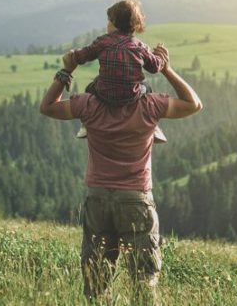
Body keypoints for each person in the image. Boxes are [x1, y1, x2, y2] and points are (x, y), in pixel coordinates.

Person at [39, 44, 202, 302]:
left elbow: (47, 106)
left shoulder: (89, 104)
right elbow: (194, 103)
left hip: (98, 198)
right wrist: (167, 69)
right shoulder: (149, 105)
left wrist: (66, 70)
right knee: (144, 281)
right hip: (136, 199)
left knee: (96, 281)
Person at [67, 0, 168, 143]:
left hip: (104, 94)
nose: (107, 24)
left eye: (109, 21)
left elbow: (83, 56)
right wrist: (161, 58)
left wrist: (73, 54)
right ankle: (154, 127)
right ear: (135, 26)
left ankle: (85, 126)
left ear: (114, 24)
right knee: (147, 87)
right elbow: (154, 68)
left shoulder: (102, 42)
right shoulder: (140, 46)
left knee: (90, 87)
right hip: (131, 96)